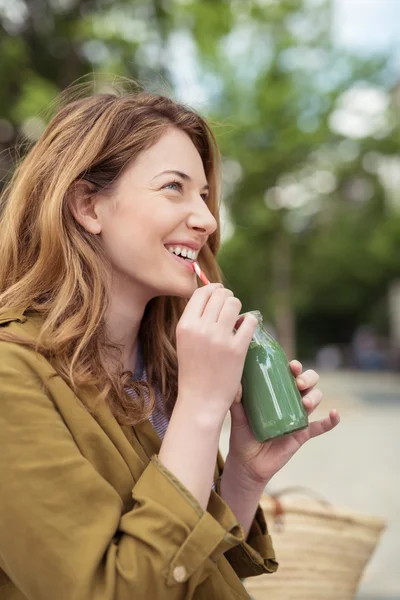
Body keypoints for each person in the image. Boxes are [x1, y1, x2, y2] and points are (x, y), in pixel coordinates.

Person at [0, 81, 340, 600]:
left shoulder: (161, 363)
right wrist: (202, 409)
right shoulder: (11, 378)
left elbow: (195, 577)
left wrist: (243, 478)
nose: (206, 219)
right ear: (88, 206)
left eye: (203, 195)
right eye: (173, 188)